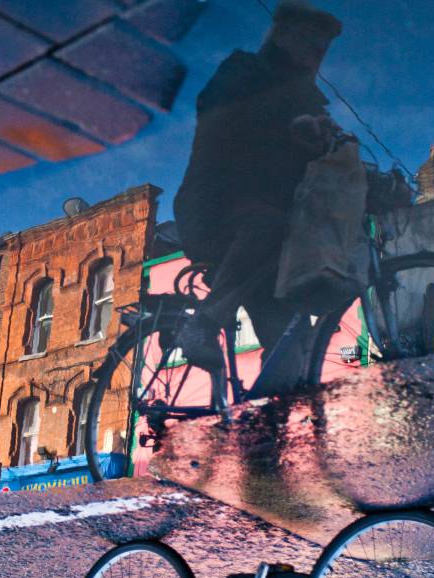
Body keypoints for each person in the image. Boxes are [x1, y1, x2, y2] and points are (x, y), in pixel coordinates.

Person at [173, 1, 343, 392]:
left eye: (323, 50)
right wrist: (290, 126)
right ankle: (202, 324)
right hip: (214, 213)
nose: (317, 56)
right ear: (283, 38)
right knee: (269, 222)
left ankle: (264, 438)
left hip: (268, 247)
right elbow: (221, 117)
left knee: (290, 344)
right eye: (311, 45)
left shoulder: (310, 102)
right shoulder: (243, 72)